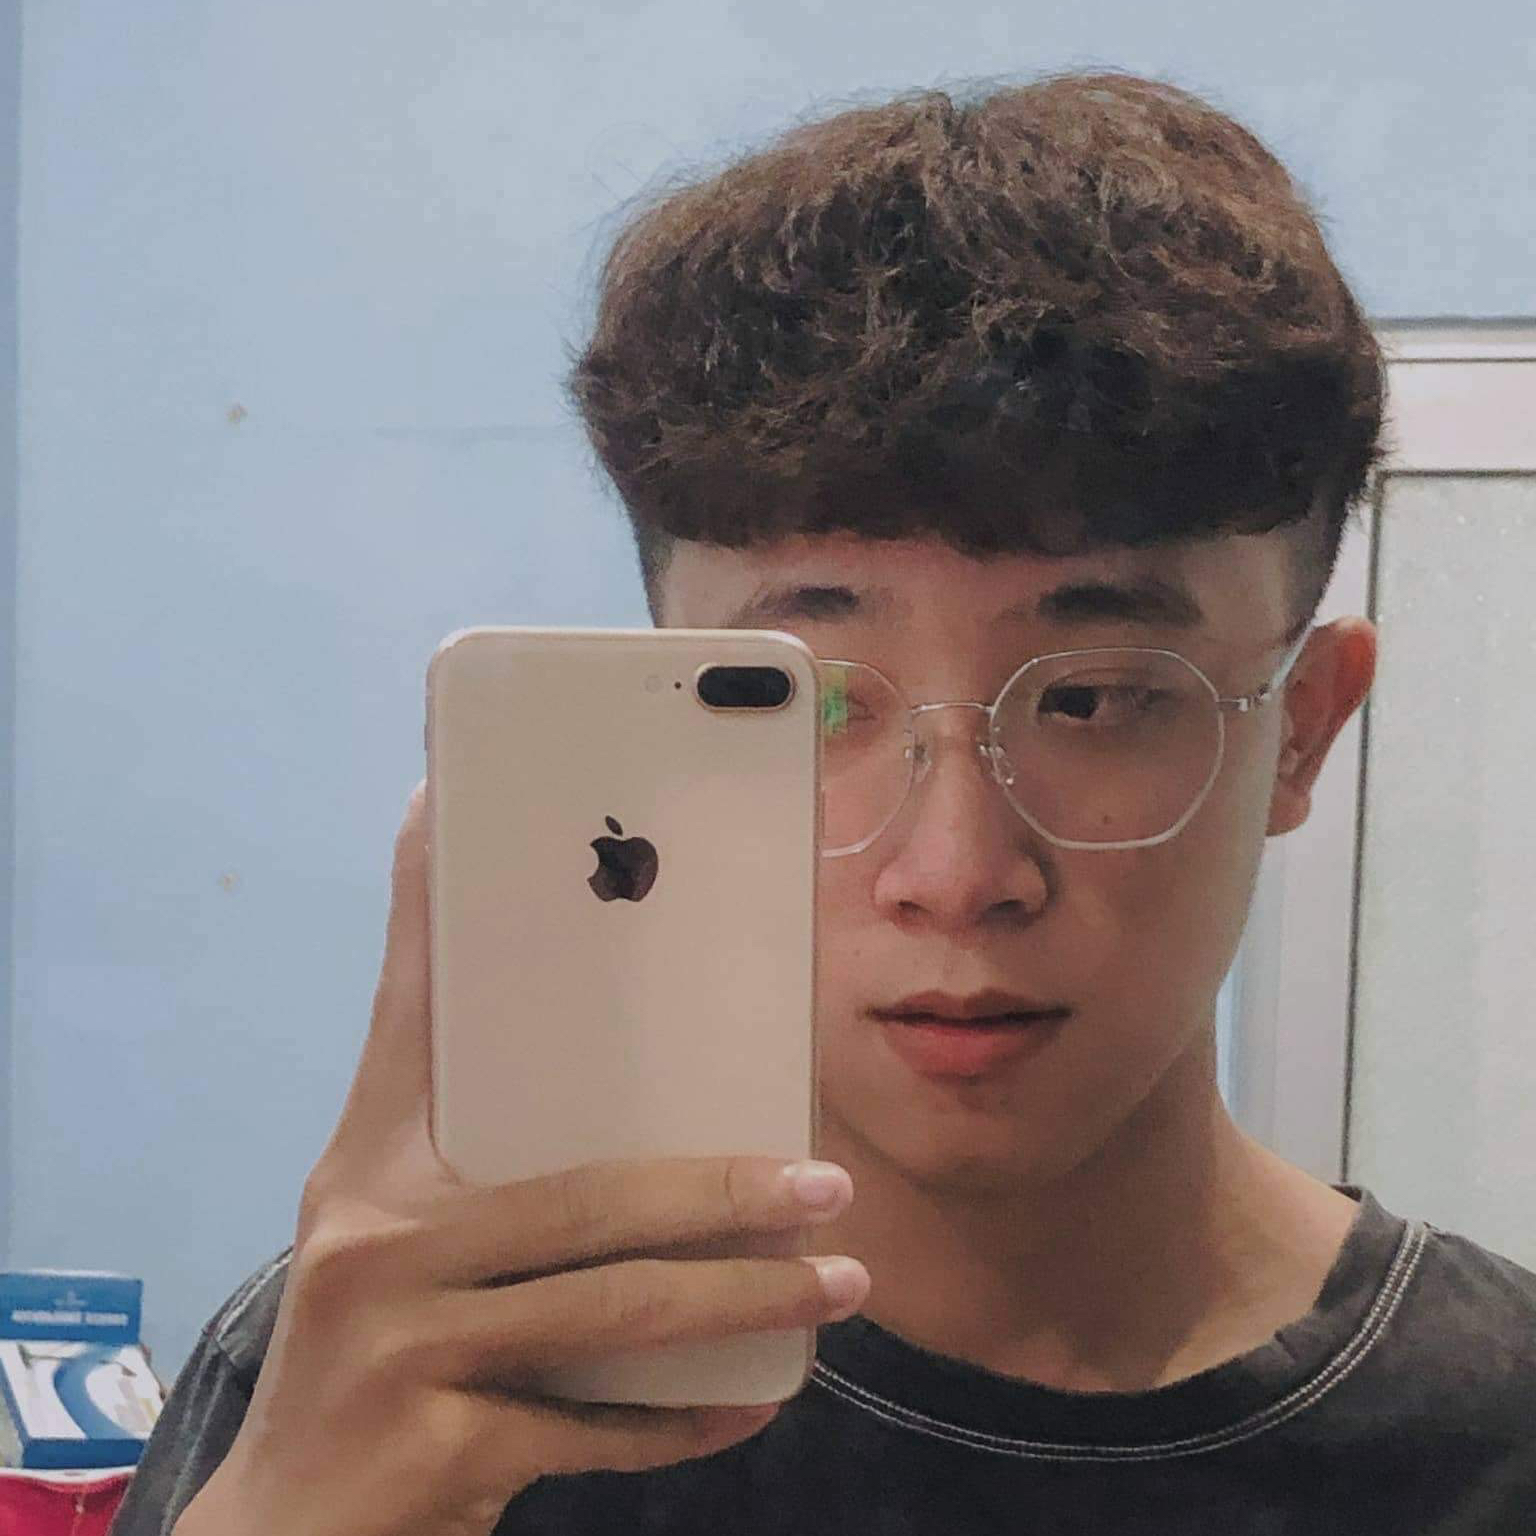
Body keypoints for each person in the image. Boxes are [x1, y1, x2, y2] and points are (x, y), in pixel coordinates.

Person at [113, 71, 1536, 1536]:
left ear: (1303, 732)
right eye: (812, 702)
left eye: (1095, 698)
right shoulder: (409, 1394)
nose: (956, 871)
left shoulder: (1498, 1439)